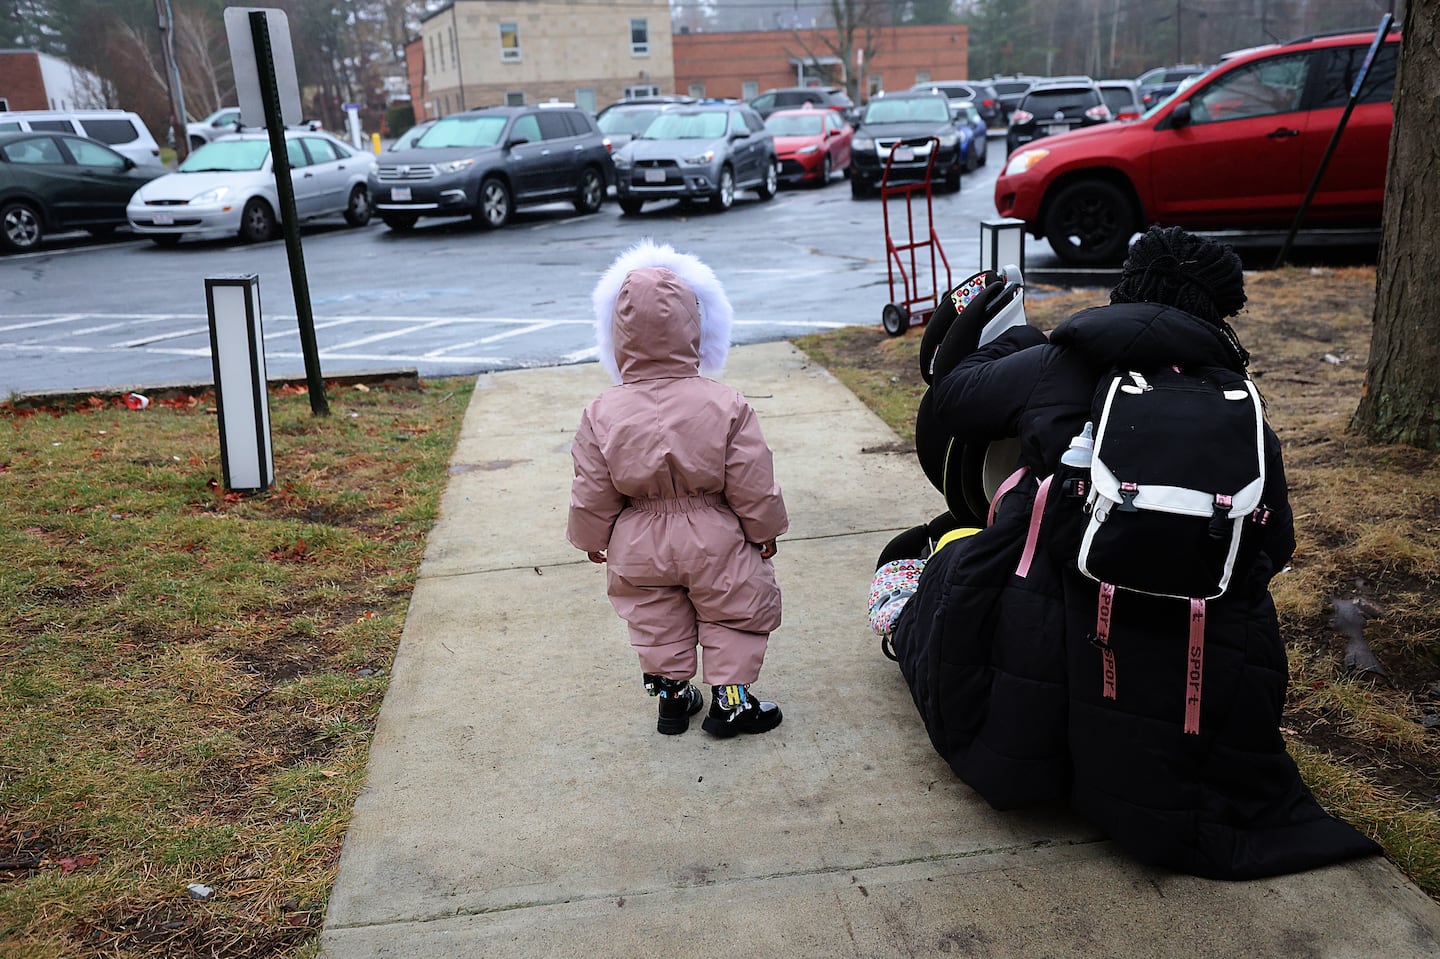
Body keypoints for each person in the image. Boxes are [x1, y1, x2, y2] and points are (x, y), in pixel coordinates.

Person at [886, 226, 1379, 878]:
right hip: (1197, 694)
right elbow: (1275, 546)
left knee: (923, 569)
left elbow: (948, 400)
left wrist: (1020, 339)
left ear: (1129, 285)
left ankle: (895, 610)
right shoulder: (1241, 404)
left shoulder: (1060, 363)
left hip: (1035, 692)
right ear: (1217, 311)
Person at [568, 239, 788, 738]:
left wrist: (593, 537)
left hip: (638, 535)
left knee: (654, 615)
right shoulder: (726, 403)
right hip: (715, 531)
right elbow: (752, 476)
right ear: (696, 328)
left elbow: (592, 485)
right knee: (733, 611)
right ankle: (732, 702)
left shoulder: (602, 411)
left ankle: (671, 698)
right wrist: (764, 529)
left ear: (618, 336)